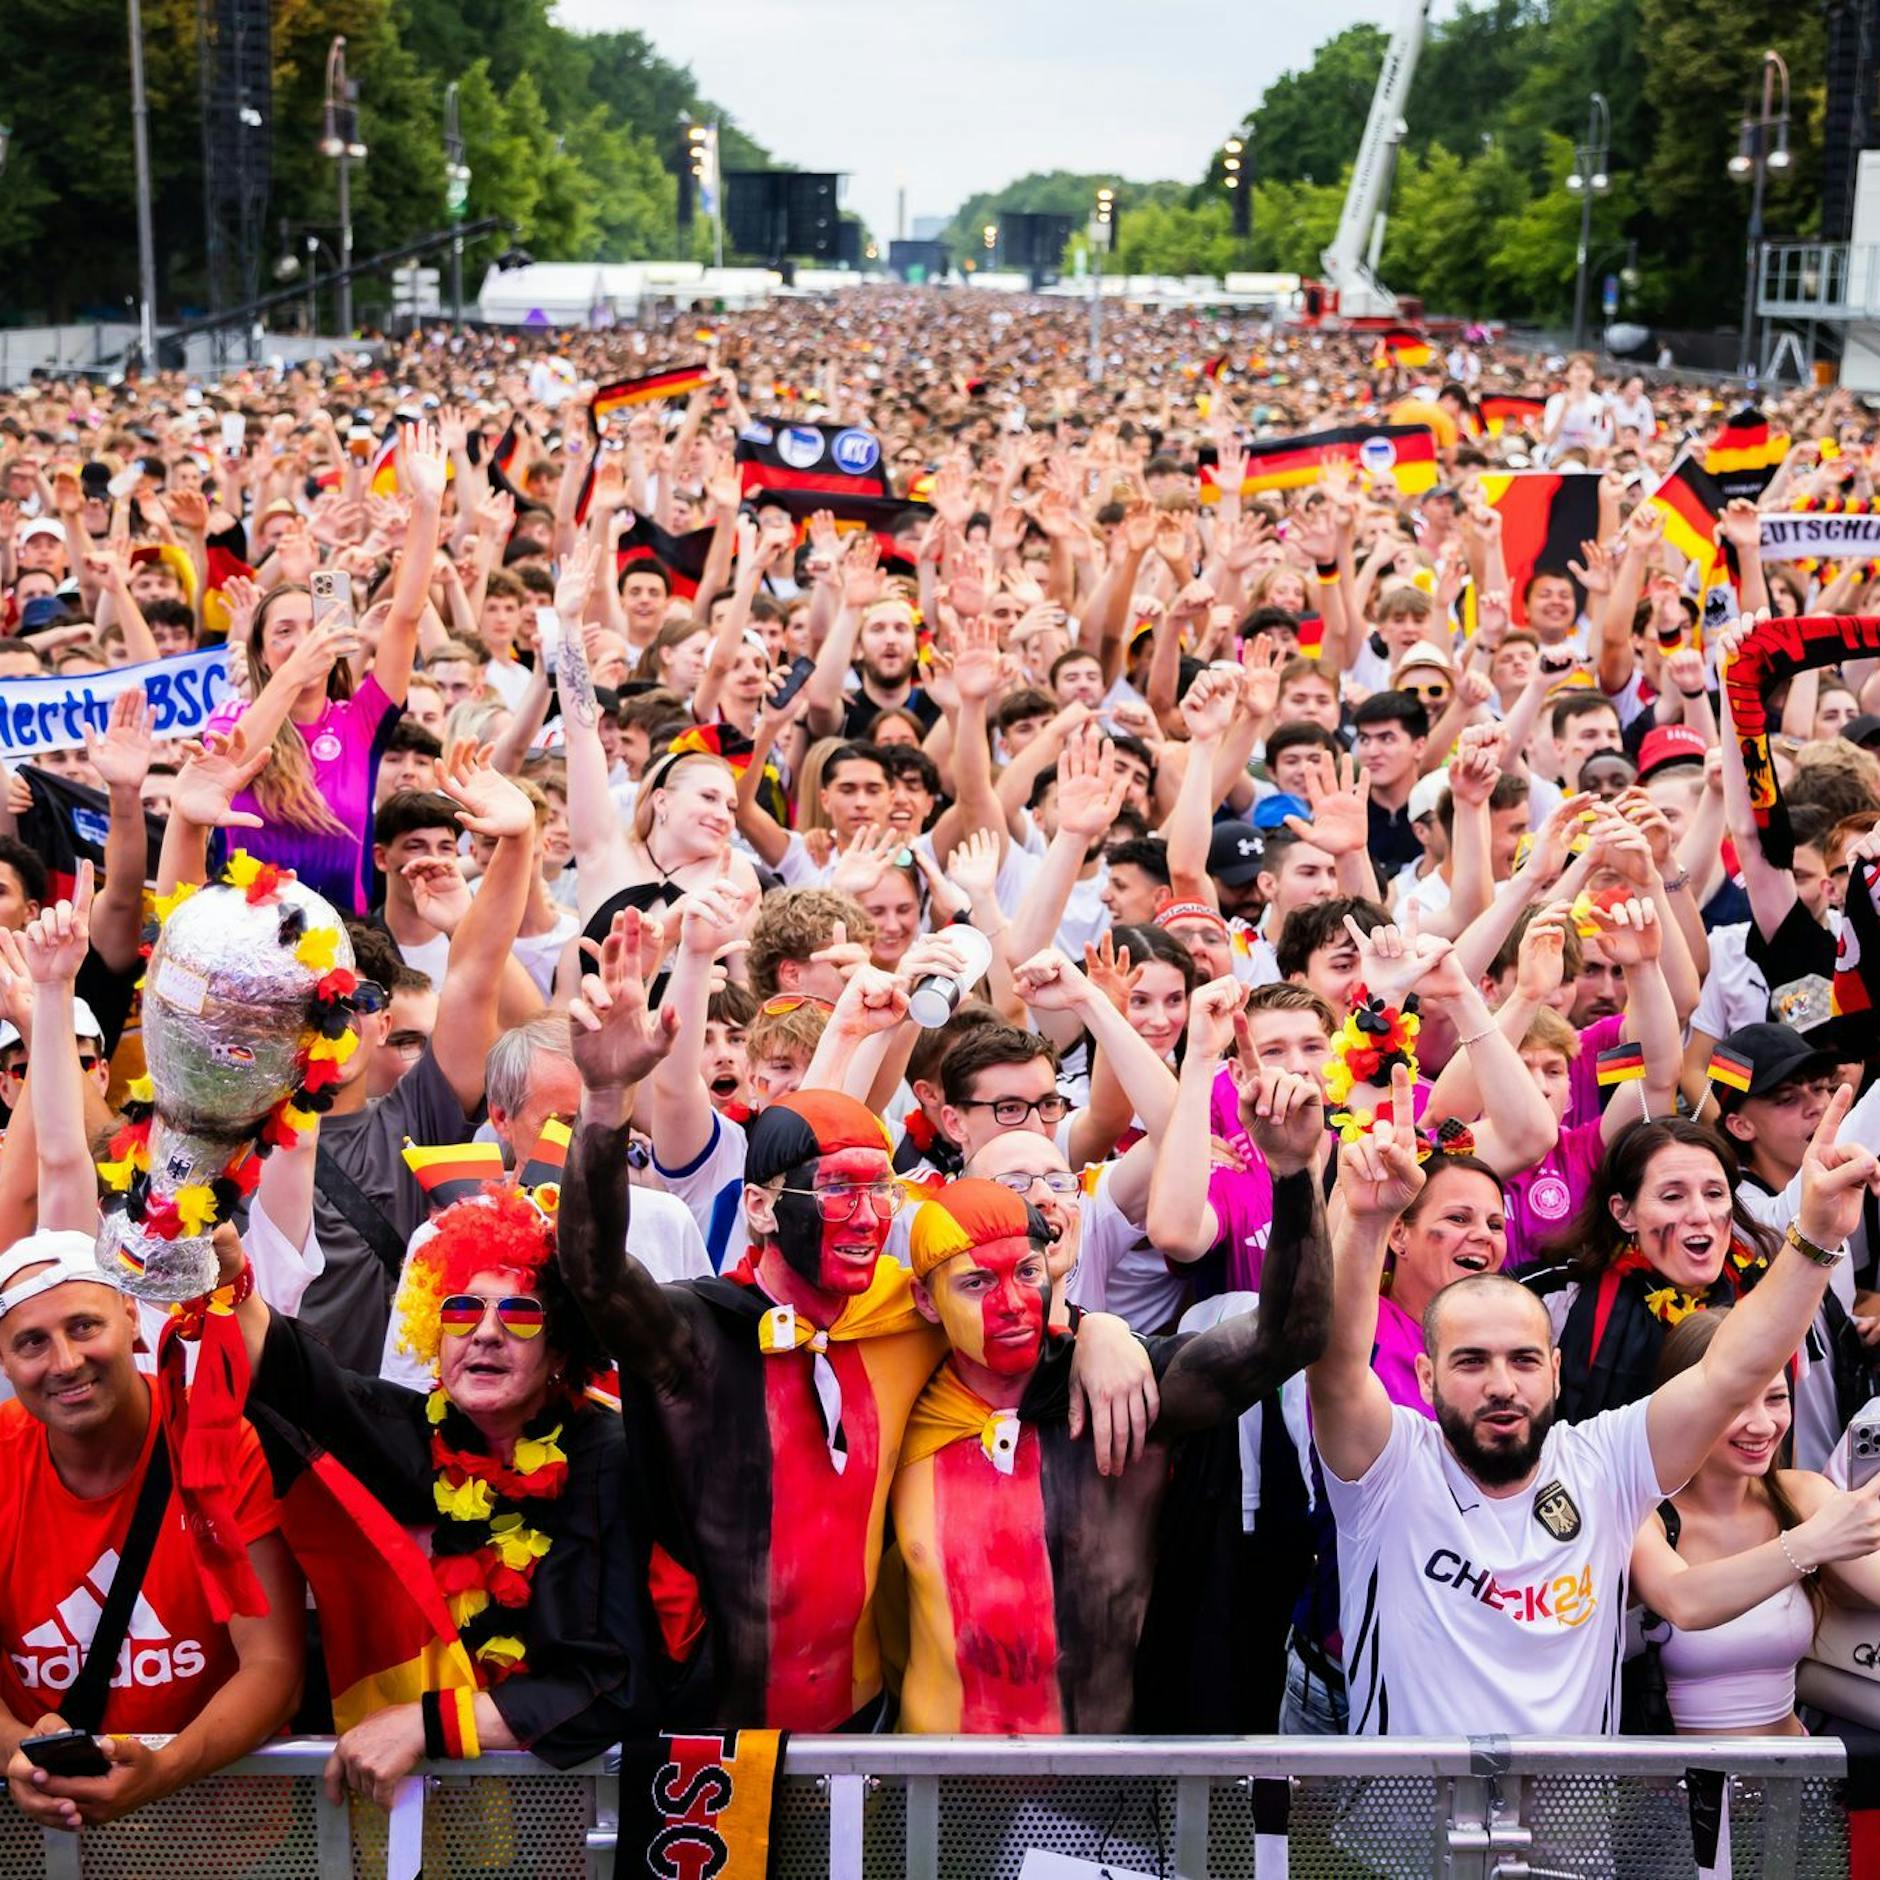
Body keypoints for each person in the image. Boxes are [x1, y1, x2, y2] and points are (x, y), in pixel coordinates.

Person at [555, 908, 1157, 1730]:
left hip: (866, 1725)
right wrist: (600, 1101)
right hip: (709, 1732)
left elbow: (1012, 1289)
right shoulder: (699, 1334)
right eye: (841, 1191)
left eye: (881, 1190)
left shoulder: (907, 1319)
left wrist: (1098, 1329)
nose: (870, 1216)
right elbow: (593, 1272)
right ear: (762, 1210)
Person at [1308, 971, 1878, 1731]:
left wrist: (1816, 1239)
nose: (1500, 1384)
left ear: (1555, 1369)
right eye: (1471, 1363)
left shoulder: (1605, 1465)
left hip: (1572, 1842)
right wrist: (1366, 1220)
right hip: (1406, 1842)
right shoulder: (1388, 1471)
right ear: (1425, 1374)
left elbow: (1733, 1370)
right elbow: (1338, 1366)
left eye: (1521, 1360)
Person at [211, 1186, 662, 1796]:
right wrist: (231, 1279)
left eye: (520, 1315)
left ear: (560, 1347)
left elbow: (612, 1682)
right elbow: (301, 1381)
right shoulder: (416, 1432)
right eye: (460, 1311)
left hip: (571, 1812)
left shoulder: (608, 1459)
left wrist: (426, 1726)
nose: (485, 1333)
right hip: (436, 1811)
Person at [893, 1111, 1329, 1732]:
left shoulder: (1134, 1385)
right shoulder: (896, 1388)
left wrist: (1292, 1173)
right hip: (935, 1782)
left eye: (1024, 1270)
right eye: (1012, 1187)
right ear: (926, 1299)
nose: (1008, 1299)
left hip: (1109, 1785)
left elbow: (1291, 1335)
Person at [0, 1232, 303, 1832]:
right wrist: (17, 1750)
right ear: (5, 1362)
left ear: (132, 1316)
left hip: (224, 1839)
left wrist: (165, 1769)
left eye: (85, 1326)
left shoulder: (217, 1440)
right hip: (49, 1840)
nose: (63, 1363)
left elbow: (274, 1666)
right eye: (31, 1342)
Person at [1631, 1308, 1880, 1736]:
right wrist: (1808, 1545)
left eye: (1776, 1398)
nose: (1763, 1424)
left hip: (1795, 1784)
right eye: (1736, 1403)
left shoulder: (1801, 1496)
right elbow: (1685, 1602)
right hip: (1682, 1795)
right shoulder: (1643, 1516)